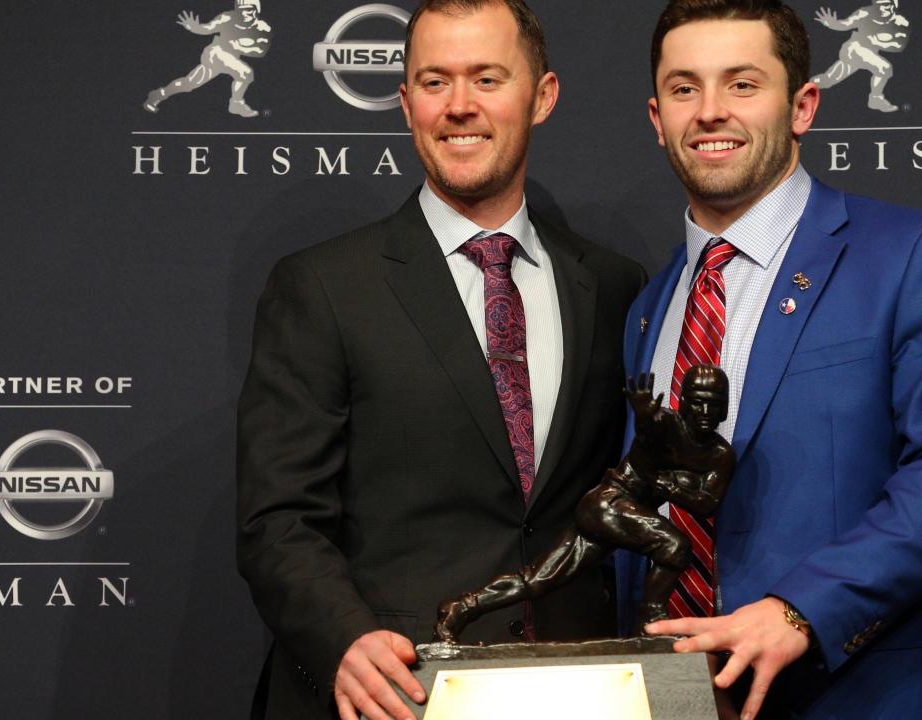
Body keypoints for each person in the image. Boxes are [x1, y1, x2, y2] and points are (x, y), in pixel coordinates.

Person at [235, 1, 643, 718]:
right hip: (393, 691)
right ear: (405, 103)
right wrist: (343, 640)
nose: (459, 106)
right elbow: (278, 519)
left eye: (487, 78)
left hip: (578, 688)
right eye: (434, 81)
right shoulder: (324, 286)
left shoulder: (611, 285)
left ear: (542, 96)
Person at [616, 2, 922, 718]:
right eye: (684, 88)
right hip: (677, 698)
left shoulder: (912, 256)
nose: (710, 111)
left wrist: (801, 610)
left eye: (742, 84)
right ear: (656, 118)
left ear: (801, 106)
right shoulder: (650, 304)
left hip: (861, 694)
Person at [433, 367, 736, 642]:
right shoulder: (664, 424)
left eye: (713, 404)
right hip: (608, 504)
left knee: (538, 579)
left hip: (622, 518)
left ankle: (463, 607)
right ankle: (650, 618)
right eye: (698, 402)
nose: (704, 412)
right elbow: (649, 434)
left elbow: (706, 504)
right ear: (683, 402)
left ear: (724, 408)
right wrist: (644, 420)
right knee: (674, 545)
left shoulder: (719, 455)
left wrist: (667, 485)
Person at [144, 1, 272, 118]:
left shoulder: (263, 28)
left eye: (248, 9)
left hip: (231, 58)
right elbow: (208, 28)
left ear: (256, 10)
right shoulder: (227, 17)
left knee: (188, 83)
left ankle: (159, 94)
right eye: (241, 10)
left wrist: (238, 46)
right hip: (216, 53)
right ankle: (236, 104)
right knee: (245, 72)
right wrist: (195, 28)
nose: (244, 14)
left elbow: (260, 51)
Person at [810, 0, 909, 113]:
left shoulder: (901, 22)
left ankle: (811, 84)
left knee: (828, 80)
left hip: (868, 53)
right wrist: (833, 24)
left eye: (885, 5)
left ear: (893, 5)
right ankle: (875, 99)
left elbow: (899, 46)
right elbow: (846, 24)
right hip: (854, 49)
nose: (881, 8)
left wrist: (877, 42)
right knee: (884, 68)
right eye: (878, 5)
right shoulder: (864, 13)